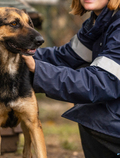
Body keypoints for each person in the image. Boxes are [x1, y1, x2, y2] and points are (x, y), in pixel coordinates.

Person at [22, 0, 120, 157]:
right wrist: (20, 54)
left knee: (91, 106)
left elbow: (99, 83)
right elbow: (65, 58)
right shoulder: (99, 22)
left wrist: (37, 68)